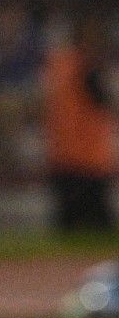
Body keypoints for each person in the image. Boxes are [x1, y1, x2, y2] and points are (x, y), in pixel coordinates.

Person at [42, 14, 118, 232]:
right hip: (89, 163)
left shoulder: (58, 63)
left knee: (69, 230)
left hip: (63, 159)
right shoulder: (88, 68)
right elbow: (105, 101)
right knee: (97, 232)